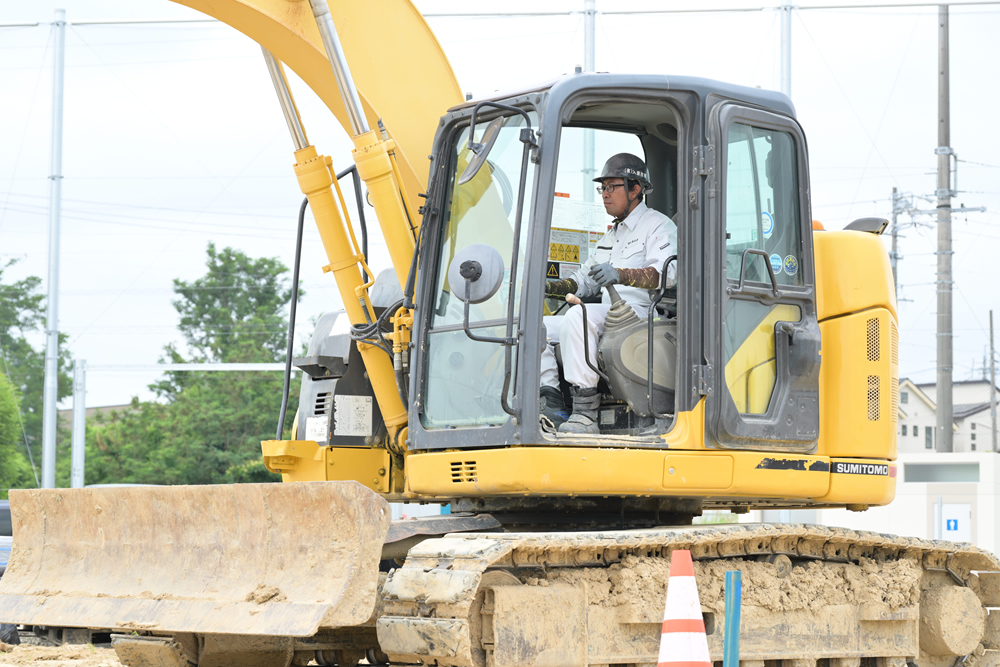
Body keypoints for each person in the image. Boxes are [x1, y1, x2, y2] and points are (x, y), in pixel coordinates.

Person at [539, 153, 677, 433]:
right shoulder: (611, 236)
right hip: (609, 316)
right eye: (602, 188)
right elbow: (582, 281)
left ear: (635, 189)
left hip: (641, 317)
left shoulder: (658, 226)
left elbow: (668, 273)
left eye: (612, 187)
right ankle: (550, 403)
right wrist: (546, 287)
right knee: (535, 325)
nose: (604, 195)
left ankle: (585, 412)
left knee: (579, 316)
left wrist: (622, 274)